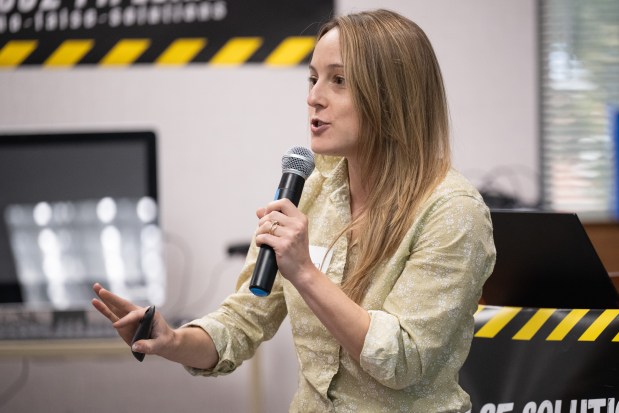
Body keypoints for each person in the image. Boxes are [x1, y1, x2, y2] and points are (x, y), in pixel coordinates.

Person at [92, 8, 496, 412]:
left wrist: (304, 272)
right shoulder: (310, 188)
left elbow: (402, 359)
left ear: (392, 97)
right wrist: (174, 341)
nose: (313, 97)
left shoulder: (453, 212)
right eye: (313, 78)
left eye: (338, 80)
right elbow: (243, 320)